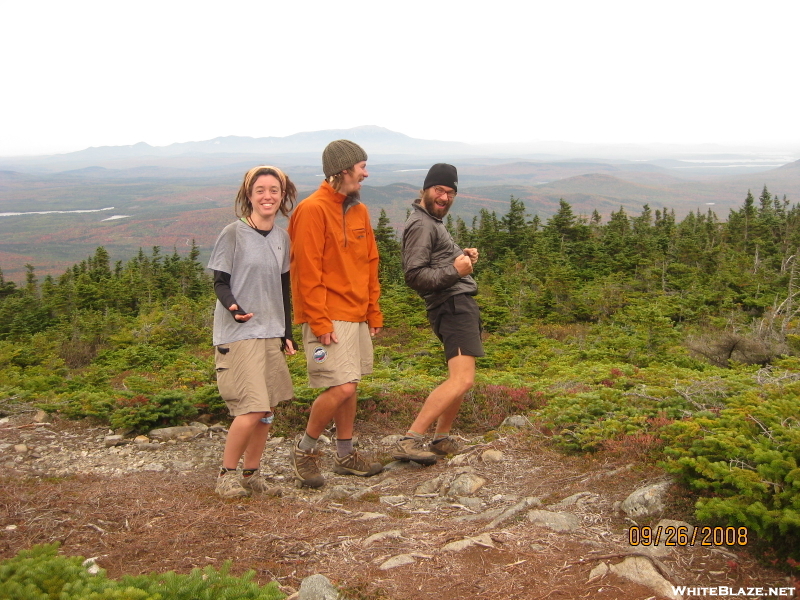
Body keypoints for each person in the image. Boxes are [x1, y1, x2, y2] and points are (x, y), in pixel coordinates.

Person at [288, 139, 384, 488]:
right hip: (328, 316)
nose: (365, 172)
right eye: (361, 167)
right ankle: (305, 449)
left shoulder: (358, 210)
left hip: (356, 314)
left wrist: (373, 311)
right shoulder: (312, 210)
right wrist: (319, 320)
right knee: (341, 387)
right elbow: (306, 272)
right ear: (343, 171)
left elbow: (370, 263)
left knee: (351, 384)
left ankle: (345, 455)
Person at [207, 165, 297, 498]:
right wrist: (234, 308)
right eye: (260, 190)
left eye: (274, 190)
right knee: (251, 408)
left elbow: (283, 286)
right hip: (238, 333)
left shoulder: (281, 237)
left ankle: (252, 473)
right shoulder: (233, 232)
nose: (267, 196)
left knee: (267, 412)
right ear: (249, 196)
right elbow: (220, 281)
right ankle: (226, 474)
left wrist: (287, 331)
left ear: (283, 196)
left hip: (270, 331)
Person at [393, 163, 483, 465]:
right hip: (452, 305)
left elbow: (436, 262)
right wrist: (455, 270)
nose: (445, 197)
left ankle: (441, 439)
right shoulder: (421, 224)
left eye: (451, 192)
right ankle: (410, 438)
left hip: (458, 304)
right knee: (462, 380)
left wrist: (462, 257)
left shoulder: (433, 220)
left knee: (459, 378)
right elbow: (414, 275)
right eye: (439, 190)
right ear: (426, 190)